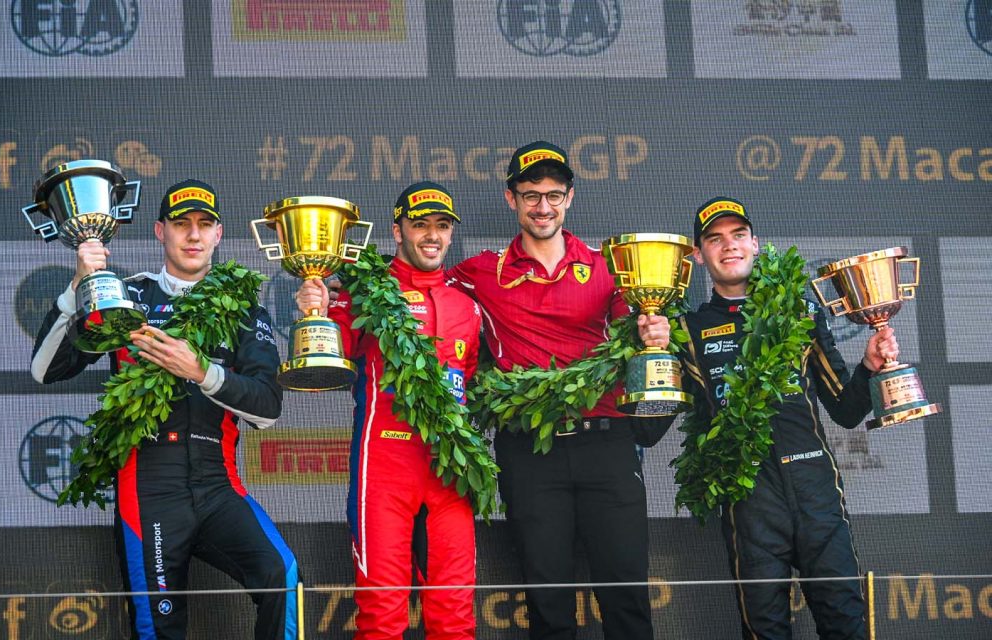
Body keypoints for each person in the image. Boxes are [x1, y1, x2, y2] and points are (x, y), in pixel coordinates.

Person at [31, 179, 299, 640]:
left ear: (218, 235)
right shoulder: (128, 297)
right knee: (159, 628)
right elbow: (44, 370)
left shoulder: (244, 310)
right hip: (149, 490)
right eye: (181, 224)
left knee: (282, 575)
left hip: (218, 484)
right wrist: (77, 287)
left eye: (204, 224)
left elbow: (267, 408)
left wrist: (201, 371)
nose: (193, 235)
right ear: (160, 231)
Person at [645, 197, 899, 639]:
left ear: (755, 244)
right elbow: (648, 431)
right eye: (715, 239)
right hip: (749, 500)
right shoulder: (686, 330)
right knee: (764, 631)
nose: (729, 246)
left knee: (846, 624)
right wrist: (652, 352)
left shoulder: (798, 312)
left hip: (815, 488)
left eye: (738, 235)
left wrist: (869, 368)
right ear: (699, 255)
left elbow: (846, 409)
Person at [445, 141, 658, 639]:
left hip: (606, 442)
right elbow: (418, 289)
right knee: (547, 600)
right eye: (531, 194)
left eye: (554, 195)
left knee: (627, 595)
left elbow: (639, 337)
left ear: (570, 198)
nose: (543, 206)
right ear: (511, 199)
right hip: (528, 449)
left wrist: (654, 337)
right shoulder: (481, 271)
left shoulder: (610, 265)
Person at [297, 181, 482, 639]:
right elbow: (327, 361)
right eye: (420, 225)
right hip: (384, 468)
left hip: (449, 473)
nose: (432, 236)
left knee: (455, 615)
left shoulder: (468, 307)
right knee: (381, 615)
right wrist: (316, 312)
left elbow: (470, 381)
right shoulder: (365, 293)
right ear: (398, 231)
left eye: (441, 226)